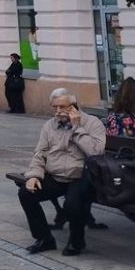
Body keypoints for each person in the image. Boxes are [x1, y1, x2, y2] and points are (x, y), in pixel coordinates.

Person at [18, 87, 106, 257]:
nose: (57, 112)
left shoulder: (93, 123)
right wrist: (34, 175)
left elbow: (96, 153)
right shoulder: (49, 126)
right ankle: (44, 238)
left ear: (74, 106)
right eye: (54, 107)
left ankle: (76, 241)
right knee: (26, 194)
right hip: (56, 175)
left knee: (72, 204)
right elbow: (40, 153)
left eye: (62, 107)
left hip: (81, 176)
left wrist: (77, 128)